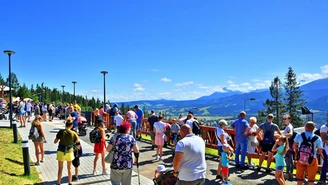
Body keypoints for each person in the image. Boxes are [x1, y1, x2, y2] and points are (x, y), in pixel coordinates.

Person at [106, 121, 140, 185]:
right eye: (129, 129)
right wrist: (136, 159)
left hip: (115, 164)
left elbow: (108, 149)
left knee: (115, 183)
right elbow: (136, 150)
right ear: (127, 129)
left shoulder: (114, 137)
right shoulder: (131, 138)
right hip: (128, 164)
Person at [54, 117, 79, 185]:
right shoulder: (73, 133)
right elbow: (78, 142)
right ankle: (70, 182)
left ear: (65, 124)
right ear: (71, 125)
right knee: (69, 168)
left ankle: (58, 183)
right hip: (70, 152)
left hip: (61, 151)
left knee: (60, 168)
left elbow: (55, 141)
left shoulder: (61, 132)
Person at [282, 114, 295, 180]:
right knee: (290, 160)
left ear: (289, 120)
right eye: (283, 119)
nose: (284, 120)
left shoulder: (289, 127)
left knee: (288, 159)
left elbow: (290, 134)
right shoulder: (289, 126)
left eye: (285, 119)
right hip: (290, 144)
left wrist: (282, 135)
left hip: (288, 145)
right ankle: (291, 173)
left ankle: (287, 173)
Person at [319, 120, 328, 184]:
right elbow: (323, 139)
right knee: (325, 164)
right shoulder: (324, 127)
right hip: (326, 148)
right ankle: (322, 179)